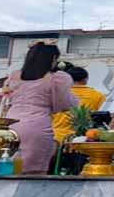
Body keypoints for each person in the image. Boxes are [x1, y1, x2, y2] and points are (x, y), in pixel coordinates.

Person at [5, 43, 80, 174]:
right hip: (36, 125)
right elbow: (64, 104)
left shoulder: (14, 76)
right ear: (52, 59)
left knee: (7, 168)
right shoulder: (56, 78)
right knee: (34, 172)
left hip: (10, 124)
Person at [51, 67, 107, 144]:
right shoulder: (98, 95)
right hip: (85, 139)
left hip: (57, 138)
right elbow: (102, 117)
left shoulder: (57, 94)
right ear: (86, 79)